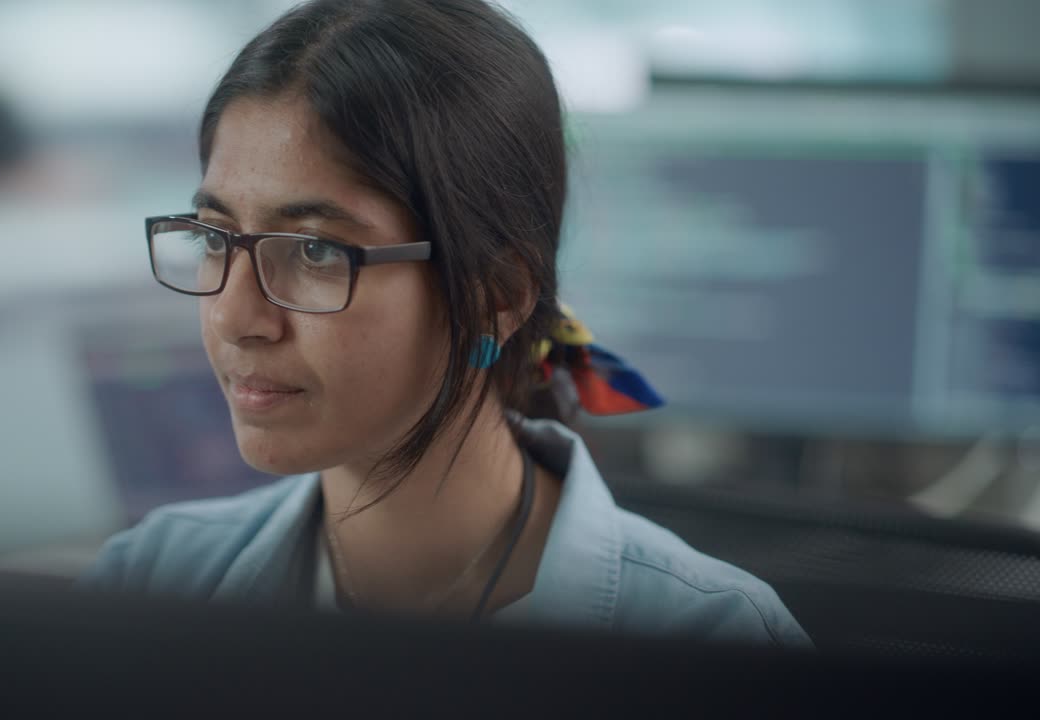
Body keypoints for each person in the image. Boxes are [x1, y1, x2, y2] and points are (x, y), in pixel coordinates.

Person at [81, 0, 811, 648]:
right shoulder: (149, 584)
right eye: (214, 238)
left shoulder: (710, 642)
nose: (236, 318)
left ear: (497, 292)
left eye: (313, 251)